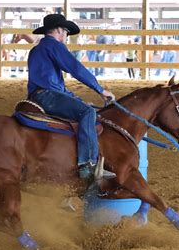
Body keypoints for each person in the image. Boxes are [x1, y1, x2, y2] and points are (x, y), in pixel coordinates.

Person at [27, 14, 116, 182]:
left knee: (82, 109)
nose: (67, 36)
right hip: (48, 96)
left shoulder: (36, 50)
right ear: (60, 30)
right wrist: (100, 90)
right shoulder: (54, 46)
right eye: (66, 32)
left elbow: (53, 84)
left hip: (36, 97)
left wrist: (77, 101)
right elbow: (76, 68)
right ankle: (88, 164)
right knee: (88, 113)